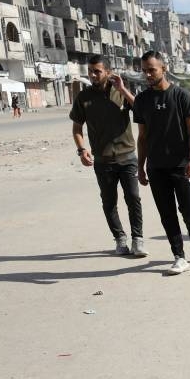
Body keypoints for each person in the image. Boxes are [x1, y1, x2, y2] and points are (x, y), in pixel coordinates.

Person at [70, 54, 148, 258]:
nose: (93, 75)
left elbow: (141, 110)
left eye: (97, 71)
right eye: (90, 71)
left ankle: (137, 239)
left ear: (108, 72)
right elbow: (77, 128)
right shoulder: (83, 97)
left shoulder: (119, 92)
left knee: (133, 198)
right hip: (103, 160)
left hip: (127, 157)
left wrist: (123, 89)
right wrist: (81, 149)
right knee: (109, 201)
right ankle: (120, 239)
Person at [133, 51, 190, 276]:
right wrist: (141, 166)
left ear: (163, 68)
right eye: (144, 70)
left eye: (151, 69)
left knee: (189, 210)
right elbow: (142, 137)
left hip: (182, 165)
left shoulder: (181, 95)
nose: (147, 74)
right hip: (156, 167)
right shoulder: (142, 100)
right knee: (167, 214)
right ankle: (179, 256)